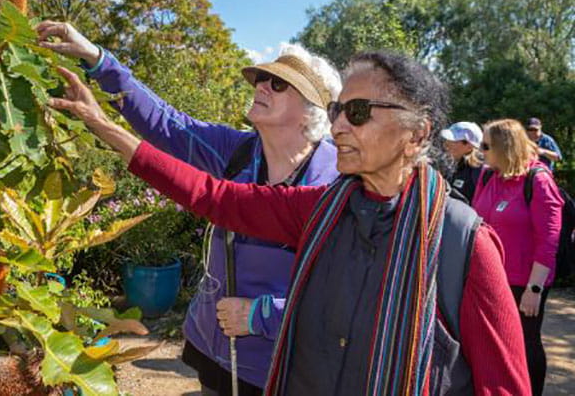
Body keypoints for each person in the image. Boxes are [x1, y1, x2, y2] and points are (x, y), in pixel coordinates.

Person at [47, 50, 530, 395]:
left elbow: (505, 385)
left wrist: (260, 314)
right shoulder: (322, 208)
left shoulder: (463, 244)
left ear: (418, 132)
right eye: (340, 111)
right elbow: (211, 195)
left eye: (358, 113)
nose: (340, 124)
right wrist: (102, 125)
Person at [37, 22, 341, 394]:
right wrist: (98, 60)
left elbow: (341, 299)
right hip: (211, 349)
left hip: (279, 369)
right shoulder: (240, 152)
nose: (261, 84)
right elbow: (168, 125)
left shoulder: (334, 184)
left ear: (311, 111)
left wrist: (264, 316)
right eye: (262, 77)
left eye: (277, 83)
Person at [472, 119, 564, 396]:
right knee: (494, 344)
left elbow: (549, 239)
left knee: (525, 343)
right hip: (490, 277)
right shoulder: (489, 176)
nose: (481, 151)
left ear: (504, 147)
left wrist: (534, 289)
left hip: (524, 282)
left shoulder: (538, 180)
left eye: (486, 146)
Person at [440, 121, 484, 202]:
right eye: (448, 138)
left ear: (469, 147)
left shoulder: (479, 173)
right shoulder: (444, 164)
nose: (447, 143)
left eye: (454, 141)